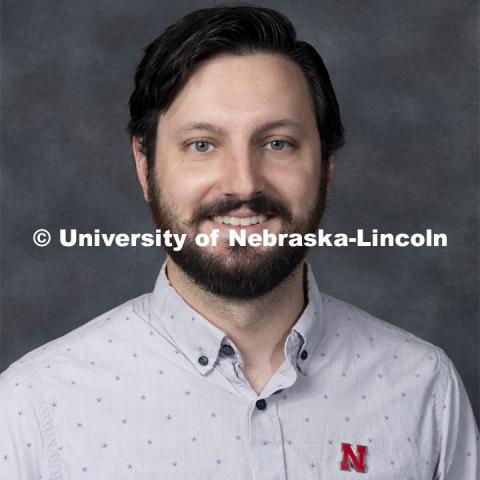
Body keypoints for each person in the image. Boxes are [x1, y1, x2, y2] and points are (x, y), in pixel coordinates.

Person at [0, 6, 478, 479]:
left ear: (327, 169)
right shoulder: (32, 410)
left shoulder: (424, 388)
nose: (243, 185)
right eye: (202, 145)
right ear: (145, 167)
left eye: (278, 143)